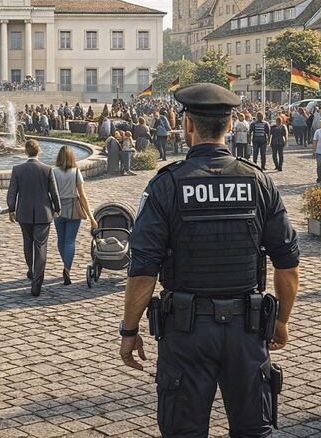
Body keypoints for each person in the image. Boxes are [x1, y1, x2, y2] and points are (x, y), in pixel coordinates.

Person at [119, 82, 300, 437]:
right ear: (230, 126)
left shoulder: (166, 185)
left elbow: (143, 272)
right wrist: (280, 321)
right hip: (247, 330)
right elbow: (287, 263)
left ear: (187, 125)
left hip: (186, 331)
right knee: (253, 430)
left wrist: (129, 330)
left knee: (183, 430)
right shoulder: (258, 182)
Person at [7, 139, 61, 297]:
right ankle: (37, 282)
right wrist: (57, 208)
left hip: (23, 213)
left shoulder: (17, 169)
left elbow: (12, 192)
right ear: (39, 151)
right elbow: (54, 192)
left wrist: (12, 208)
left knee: (27, 242)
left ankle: (30, 269)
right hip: (44, 213)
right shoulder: (47, 169)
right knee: (40, 246)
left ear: (25, 152)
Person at [52, 146, 97, 285]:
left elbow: (50, 193)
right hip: (73, 209)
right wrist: (91, 217)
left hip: (57, 209)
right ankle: (67, 268)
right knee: (70, 241)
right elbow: (82, 195)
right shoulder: (76, 171)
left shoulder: (53, 172)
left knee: (61, 239)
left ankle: (65, 263)